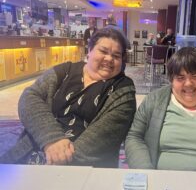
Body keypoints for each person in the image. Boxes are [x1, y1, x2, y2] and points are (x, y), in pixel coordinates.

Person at [0, 28, 136, 167]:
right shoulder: (65, 71)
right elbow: (29, 98)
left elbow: (102, 138)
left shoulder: (123, 90)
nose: (109, 59)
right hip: (35, 147)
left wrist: (59, 159)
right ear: (89, 50)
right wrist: (52, 139)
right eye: (103, 51)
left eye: (116, 55)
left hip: (80, 166)